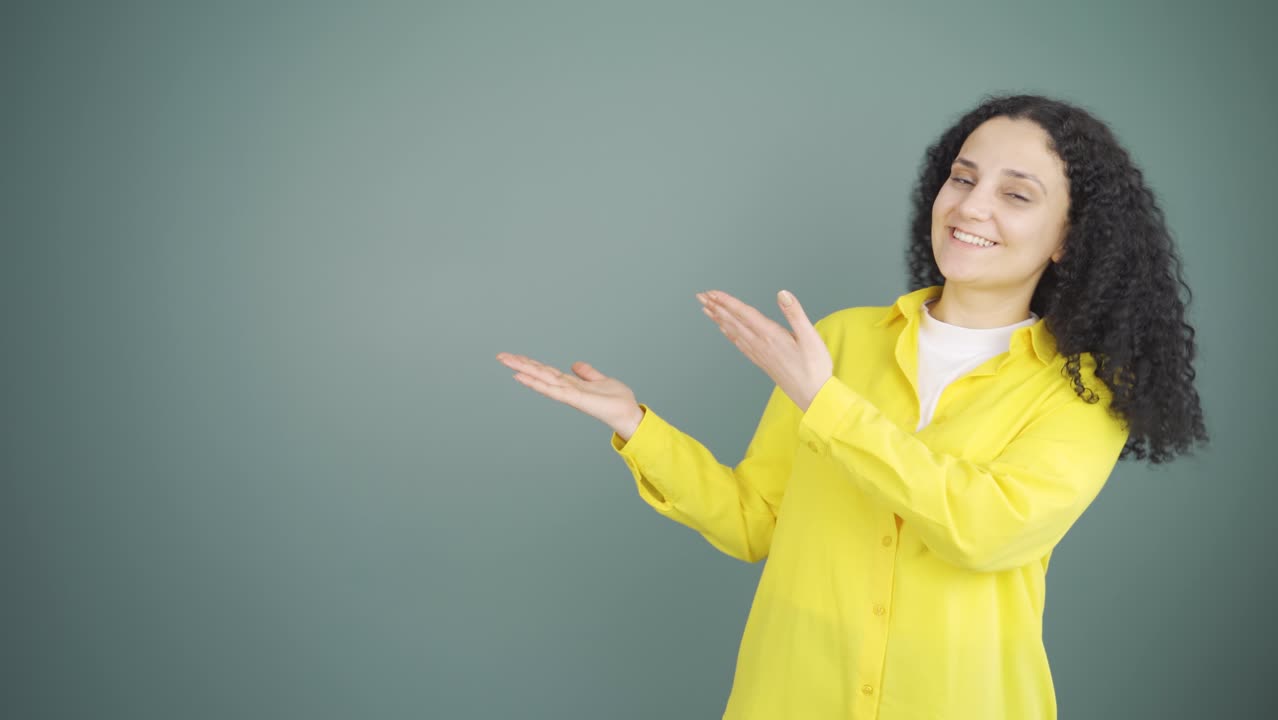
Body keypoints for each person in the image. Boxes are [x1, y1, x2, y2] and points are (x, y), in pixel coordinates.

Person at [495, 93, 1208, 719]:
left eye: (1017, 195)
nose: (971, 205)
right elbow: (755, 522)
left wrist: (824, 403)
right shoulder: (836, 342)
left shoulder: (1084, 389)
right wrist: (635, 425)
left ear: (1068, 240)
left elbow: (986, 530)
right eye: (962, 178)